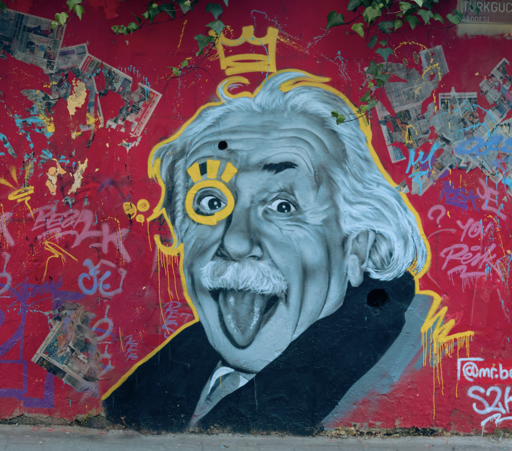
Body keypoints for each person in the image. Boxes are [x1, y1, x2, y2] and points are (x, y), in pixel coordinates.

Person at [104, 70, 430, 434]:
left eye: (283, 207)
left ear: (357, 247)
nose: (236, 242)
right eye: (211, 203)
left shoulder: (411, 376)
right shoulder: (155, 382)